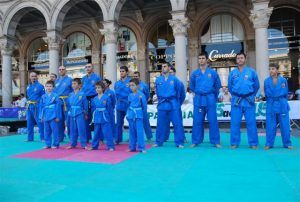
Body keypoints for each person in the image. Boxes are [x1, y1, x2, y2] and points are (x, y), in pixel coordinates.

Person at [190, 52, 222, 148]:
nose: (201, 60)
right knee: (197, 121)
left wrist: (212, 95)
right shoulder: (194, 73)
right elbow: (192, 86)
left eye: (203, 58)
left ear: (207, 60)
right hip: (199, 98)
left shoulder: (212, 73)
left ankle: (215, 141)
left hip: (210, 98)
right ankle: (196, 141)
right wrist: (198, 92)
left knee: (213, 120)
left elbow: (217, 86)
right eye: (199, 58)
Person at [228, 52, 260, 149]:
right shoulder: (232, 73)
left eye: (242, 58)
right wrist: (236, 94)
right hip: (237, 100)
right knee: (235, 122)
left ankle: (253, 143)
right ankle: (234, 142)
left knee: (251, 122)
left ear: (245, 59)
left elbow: (256, 86)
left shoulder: (252, 72)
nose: (240, 60)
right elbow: (230, 87)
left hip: (248, 100)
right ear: (236, 60)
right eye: (238, 58)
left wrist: (251, 95)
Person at [153, 62, 184, 148]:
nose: (163, 68)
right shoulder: (158, 80)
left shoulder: (175, 80)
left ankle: (179, 142)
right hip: (162, 104)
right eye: (162, 66)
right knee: (160, 124)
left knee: (177, 124)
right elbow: (158, 93)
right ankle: (158, 141)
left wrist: (177, 102)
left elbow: (180, 93)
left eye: (165, 66)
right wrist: (160, 100)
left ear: (169, 68)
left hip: (173, 103)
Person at [264, 64, 293, 150]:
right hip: (271, 104)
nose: (271, 71)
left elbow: (285, 92)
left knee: (285, 125)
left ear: (277, 70)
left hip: (282, 104)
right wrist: (276, 96)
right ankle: (269, 143)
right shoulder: (266, 81)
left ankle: (287, 143)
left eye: (273, 69)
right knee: (270, 125)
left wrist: (279, 98)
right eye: (270, 69)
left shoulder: (283, 80)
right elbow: (267, 93)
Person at [88, 81, 115, 151]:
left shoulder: (106, 97)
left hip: (105, 116)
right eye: (96, 88)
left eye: (99, 88)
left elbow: (109, 108)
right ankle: (94, 146)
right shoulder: (94, 98)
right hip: (97, 116)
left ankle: (110, 146)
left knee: (107, 132)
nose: (97, 89)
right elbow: (93, 108)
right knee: (96, 132)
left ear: (103, 88)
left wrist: (109, 117)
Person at [164, 67, 186, 142]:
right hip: (166, 105)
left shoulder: (179, 82)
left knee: (178, 122)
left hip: (175, 104)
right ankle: (164, 137)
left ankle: (182, 138)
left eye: (171, 72)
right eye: (169, 72)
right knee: (165, 122)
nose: (170, 74)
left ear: (175, 73)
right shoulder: (165, 81)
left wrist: (178, 103)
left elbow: (183, 95)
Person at [66, 78, 88, 149]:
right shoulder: (70, 94)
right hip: (72, 113)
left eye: (75, 83)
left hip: (80, 113)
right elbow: (68, 105)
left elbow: (85, 105)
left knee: (81, 129)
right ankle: (73, 143)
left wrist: (85, 113)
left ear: (79, 85)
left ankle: (84, 144)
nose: (73, 85)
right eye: (72, 83)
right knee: (72, 129)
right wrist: (69, 112)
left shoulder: (82, 94)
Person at [81, 63, 102, 142]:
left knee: (96, 117)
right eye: (86, 67)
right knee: (86, 117)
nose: (87, 68)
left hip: (94, 98)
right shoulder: (83, 78)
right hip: (85, 99)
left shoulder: (97, 77)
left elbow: (101, 88)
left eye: (89, 67)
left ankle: (99, 137)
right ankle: (87, 137)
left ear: (92, 68)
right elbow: (81, 90)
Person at [39, 80, 62, 149]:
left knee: (55, 130)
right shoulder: (43, 96)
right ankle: (48, 144)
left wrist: (58, 116)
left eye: (50, 86)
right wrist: (41, 117)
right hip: (45, 115)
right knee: (46, 130)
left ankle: (56, 144)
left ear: (53, 87)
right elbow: (41, 107)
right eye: (47, 86)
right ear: (45, 87)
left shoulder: (55, 96)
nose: (49, 88)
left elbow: (58, 107)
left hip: (53, 115)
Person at [126, 78, 147, 153]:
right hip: (131, 114)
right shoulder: (130, 95)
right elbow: (128, 105)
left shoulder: (141, 95)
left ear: (137, 86)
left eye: (133, 85)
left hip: (138, 114)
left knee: (139, 131)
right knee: (131, 131)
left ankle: (141, 147)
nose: (131, 87)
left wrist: (142, 114)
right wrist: (128, 114)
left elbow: (144, 106)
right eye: (130, 85)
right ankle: (132, 147)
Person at [54, 66, 73, 142]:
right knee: (59, 120)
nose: (61, 70)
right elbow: (54, 92)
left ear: (66, 70)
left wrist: (71, 100)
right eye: (60, 69)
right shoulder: (56, 81)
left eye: (63, 69)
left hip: (67, 102)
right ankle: (60, 137)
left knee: (69, 120)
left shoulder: (70, 80)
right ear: (58, 71)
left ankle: (72, 137)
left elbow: (72, 91)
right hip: (58, 102)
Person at [132, 71, 153, 141]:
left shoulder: (144, 85)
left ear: (139, 77)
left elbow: (147, 95)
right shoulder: (131, 85)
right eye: (134, 76)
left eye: (136, 76)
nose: (135, 78)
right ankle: (133, 137)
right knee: (133, 122)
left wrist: (143, 102)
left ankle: (149, 136)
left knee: (145, 121)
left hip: (142, 106)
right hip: (134, 107)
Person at [26, 71, 45, 142]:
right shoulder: (28, 86)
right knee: (29, 122)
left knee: (39, 122)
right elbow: (28, 96)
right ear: (30, 77)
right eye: (32, 76)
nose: (33, 78)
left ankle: (43, 137)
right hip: (29, 106)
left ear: (37, 77)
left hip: (37, 106)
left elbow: (43, 97)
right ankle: (30, 138)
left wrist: (41, 106)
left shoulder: (40, 86)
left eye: (35, 76)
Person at [114, 66, 131, 144]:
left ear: (127, 72)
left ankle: (132, 138)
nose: (121, 73)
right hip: (119, 104)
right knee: (119, 123)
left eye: (123, 71)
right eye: (120, 71)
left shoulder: (130, 82)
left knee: (131, 122)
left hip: (128, 103)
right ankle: (118, 139)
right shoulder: (117, 83)